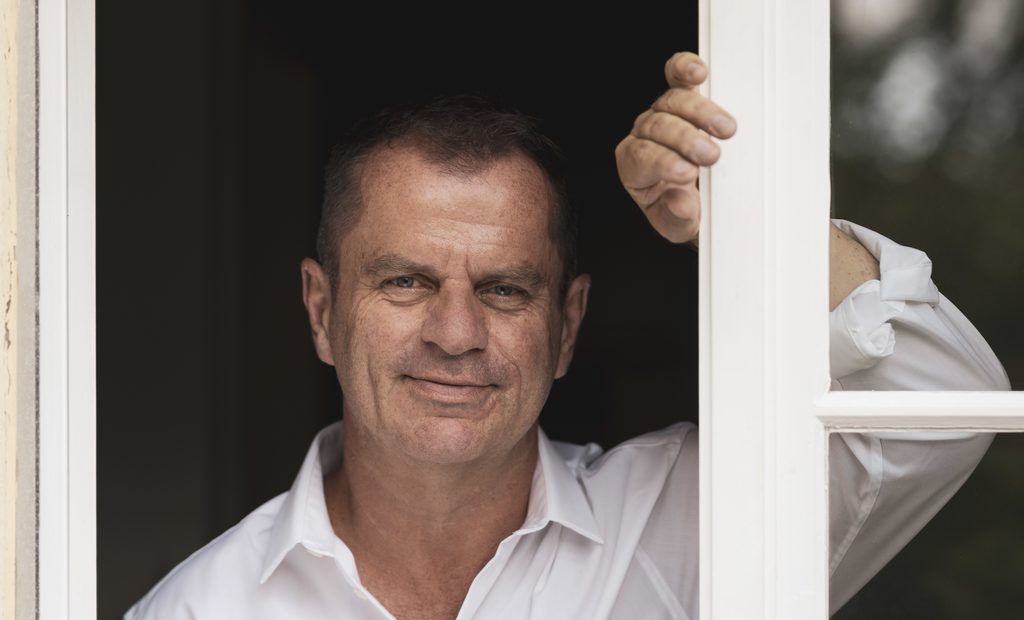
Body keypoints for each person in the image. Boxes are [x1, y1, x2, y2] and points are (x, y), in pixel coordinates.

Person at [126, 52, 1009, 619]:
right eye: (406, 282)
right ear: (321, 310)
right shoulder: (203, 609)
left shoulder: (687, 526)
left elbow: (947, 402)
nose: (456, 333)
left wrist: (739, 217)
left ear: (567, 326)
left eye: (505, 290)